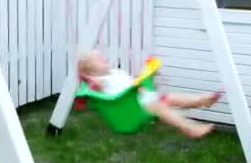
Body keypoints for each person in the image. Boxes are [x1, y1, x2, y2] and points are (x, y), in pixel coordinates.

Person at [77, 51, 221, 138]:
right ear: (92, 71)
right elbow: (93, 83)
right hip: (130, 110)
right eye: (100, 60)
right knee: (160, 107)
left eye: (103, 58)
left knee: (171, 98)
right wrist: (90, 81)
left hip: (140, 100)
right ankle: (189, 128)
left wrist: (147, 74)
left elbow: (131, 84)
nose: (104, 59)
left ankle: (202, 100)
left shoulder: (116, 72)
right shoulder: (102, 80)